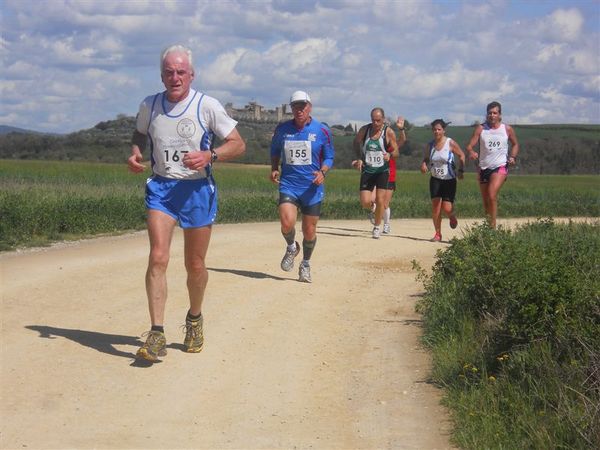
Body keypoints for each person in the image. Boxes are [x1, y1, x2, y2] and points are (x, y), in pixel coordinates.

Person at [127, 44, 246, 362]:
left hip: (197, 191)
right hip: (162, 189)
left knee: (194, 266)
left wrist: (211, 155)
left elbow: (238, 144)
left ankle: (194, 318)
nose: (174, 77)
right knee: (158, 257)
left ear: (191, 74)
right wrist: (136, 152)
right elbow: (139, 134)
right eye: (169, 72)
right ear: (161, 75)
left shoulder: (206, 106)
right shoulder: (150, 105)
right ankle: (157, 333)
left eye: (180, 71)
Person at [270, 90, 334, 283]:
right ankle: (291, 247)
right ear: (291, 109)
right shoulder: (282, 129)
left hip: (312, 188)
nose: (299, 110)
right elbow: (274, 150)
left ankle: (305, 263)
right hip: (289, 185)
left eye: (303, 106)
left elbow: (330, 156)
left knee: (309, 231)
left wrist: (322, 172)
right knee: (287, 222)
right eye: (295, 106)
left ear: (310, 107)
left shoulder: (322, 130)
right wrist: (274, 168)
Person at [465, 101, 520, 228]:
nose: (492, 115)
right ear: (486, 114)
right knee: (486, 202)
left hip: (500, 166)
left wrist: (512, 156)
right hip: (484, 168)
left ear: (500, 115)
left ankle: (493, 229)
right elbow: (469, 145)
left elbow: (515, 144)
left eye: (495, 113)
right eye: (490, 113)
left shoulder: (506, 129)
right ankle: (488, 227)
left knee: (491, 194)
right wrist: (471, 151)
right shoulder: (481, 128)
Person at [351, 108, 400, 238]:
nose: (375, 123)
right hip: (368, 170)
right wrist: (360, 158)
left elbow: (396, 152)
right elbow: (356, 142)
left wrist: (390, 154)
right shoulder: (365, 130)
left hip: (382, 171)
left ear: (383, 119)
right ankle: (373, 209)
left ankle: (377, 227)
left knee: (380, 199)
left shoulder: (388, 132)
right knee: (365, 201)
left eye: (378, 120)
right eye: (373, 120)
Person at [421, 119, 466, 241]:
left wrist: (461, 170)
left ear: (443, 130)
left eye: (439, 129)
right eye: (434, 129)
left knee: (446, 208)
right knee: (435, 206)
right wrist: (424, 164)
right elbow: (425, 158)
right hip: (435, 179)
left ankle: (451, 216)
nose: (436, 131)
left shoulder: (450, 143)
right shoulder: (430, 145)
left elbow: (462, 155)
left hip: (449, 180)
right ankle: (438, 234)